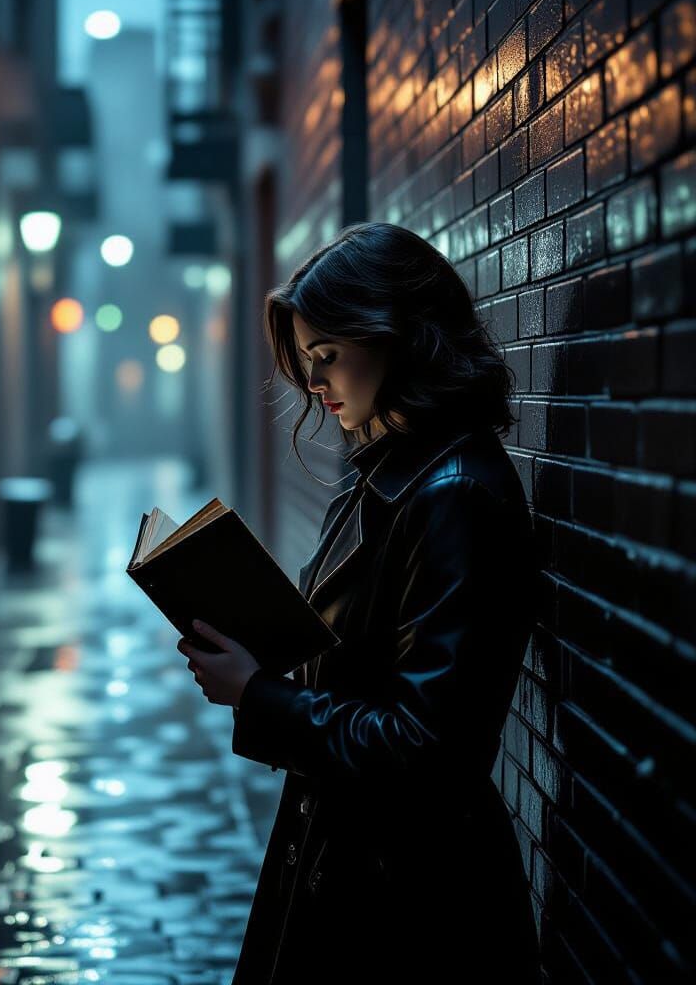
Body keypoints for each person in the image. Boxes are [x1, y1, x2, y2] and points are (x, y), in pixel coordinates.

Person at [177, 222, 543, 983]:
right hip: (349, 861)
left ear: (397, 335)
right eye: (308, 360)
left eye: (327, 355)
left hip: (413, 905)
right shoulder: (388, 467)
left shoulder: (455, 495)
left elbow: (426, 749)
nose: (314, 384)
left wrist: (258, 694)